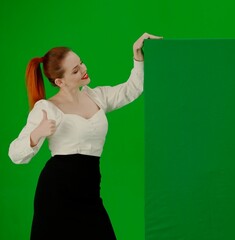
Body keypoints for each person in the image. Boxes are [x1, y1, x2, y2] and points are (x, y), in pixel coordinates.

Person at [8, 32, 162, 239]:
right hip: (56, 193)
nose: (84, 70)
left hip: (89, 190)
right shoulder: (46, 108)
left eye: (81, 63)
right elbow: (15, 155)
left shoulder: (96, 96)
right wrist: (36, 134)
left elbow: (133, 89)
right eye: (75, 70)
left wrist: (138, 56)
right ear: (60, 82)